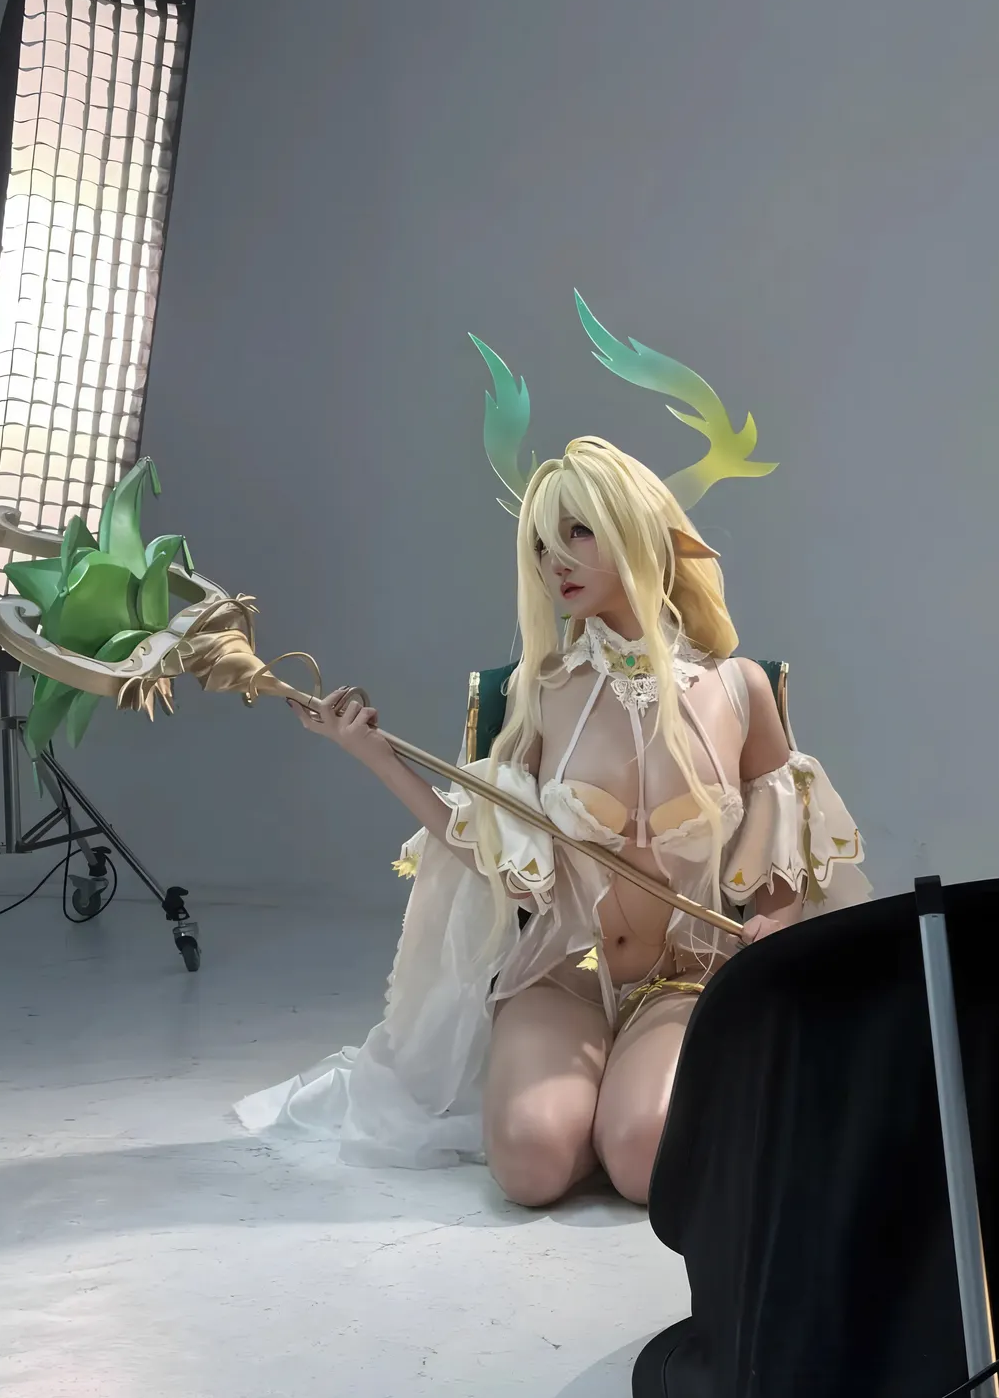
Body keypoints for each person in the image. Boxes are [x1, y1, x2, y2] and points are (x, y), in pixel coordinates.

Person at [234, 306, 869, 1205]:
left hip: (688, 976)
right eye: (538, 544)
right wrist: (373, 754)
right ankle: (584, 1108)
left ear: (635, 532)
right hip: (563, 975)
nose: (553, 561)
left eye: (576, 532)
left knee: (646, 1160)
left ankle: (626, 1107)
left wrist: (777, 919)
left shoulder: (739, 689)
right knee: (531, 1165)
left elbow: (786, 858)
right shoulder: (542, 692)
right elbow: (487, 852)